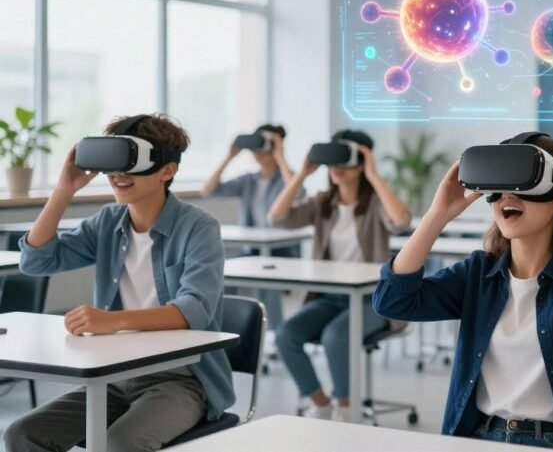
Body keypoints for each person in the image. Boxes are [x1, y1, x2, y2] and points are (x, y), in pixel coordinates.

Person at [374, 133, 553, 451]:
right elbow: (392, 301)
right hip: (480, 437)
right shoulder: (479, 274)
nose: (508, 195)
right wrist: (437, 215)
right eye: (499, 186)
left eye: (523, 184)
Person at [4, 114, 233, 452]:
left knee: (119, 444)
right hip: (114, 377)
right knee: (22, 435)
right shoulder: (108, 222)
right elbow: (37, 262)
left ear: (167, 170)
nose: (118, 175)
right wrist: (64, 189)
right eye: (113, 165)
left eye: (131, 165)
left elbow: (195, 310)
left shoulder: (198, 227)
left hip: (181, 380)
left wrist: (112, 321)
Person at [268, 129, 410, 421]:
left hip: (373, 300)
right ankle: (321, 404)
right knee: (285, 335)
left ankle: (346, 408)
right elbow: (278, 219)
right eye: (332, 160)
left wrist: (373, 175)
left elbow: (401, 221)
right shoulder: (323, 203)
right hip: (330, 298)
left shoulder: (375, 204)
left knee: (335, 337)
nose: (336, 168)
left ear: (361, 163)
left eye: (345, 160)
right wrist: (302, 173)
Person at [202, 124, 303, 329]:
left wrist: (280, 156)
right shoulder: (249, 180)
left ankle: (275, 335)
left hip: (281, 251)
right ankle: (225, 328)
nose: (259, 154)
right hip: (252, 250)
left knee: (267, 281)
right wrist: (229, 157)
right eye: (255, 149)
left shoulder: (286, 178)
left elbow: (299, 194)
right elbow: (208, 190)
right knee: (223, 276)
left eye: (264, 148)